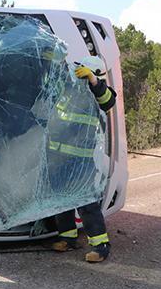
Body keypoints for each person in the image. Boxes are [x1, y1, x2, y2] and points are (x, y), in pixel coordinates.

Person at [49, 56, 117, 262]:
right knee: (62, 200)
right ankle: (68, 238)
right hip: (59, 157)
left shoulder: (98, 93)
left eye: (85, 74)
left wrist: (93, 81)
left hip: (82, 160)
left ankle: (100, 246)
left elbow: (108, 100)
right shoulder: (68, 91)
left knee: (86, 203)